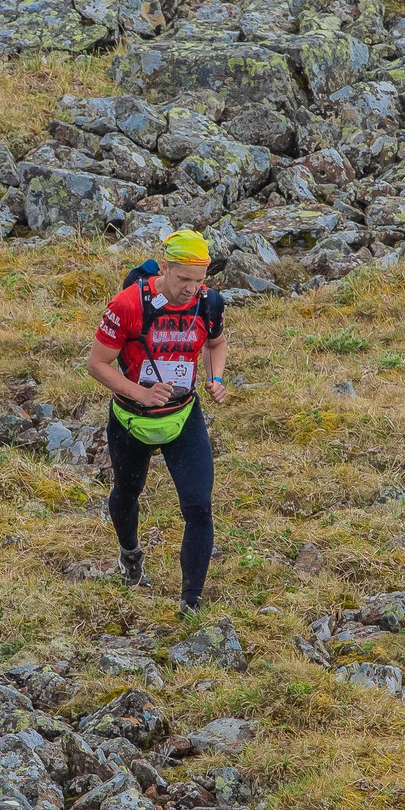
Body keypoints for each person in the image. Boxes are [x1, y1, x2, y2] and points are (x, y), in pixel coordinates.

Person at [87, 230, 228, 613]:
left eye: (199, 281)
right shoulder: (127, 305)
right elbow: (96, 364)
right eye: (183, 279)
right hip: (132, 421)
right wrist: (141, 393)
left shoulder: (209, 303)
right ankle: (130, 553)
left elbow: (216, 343)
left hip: (183, 418)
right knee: (126, 495)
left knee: (198, 506)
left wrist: (215, 378)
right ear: (164, 267)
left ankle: (190, 603)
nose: (190, 290)